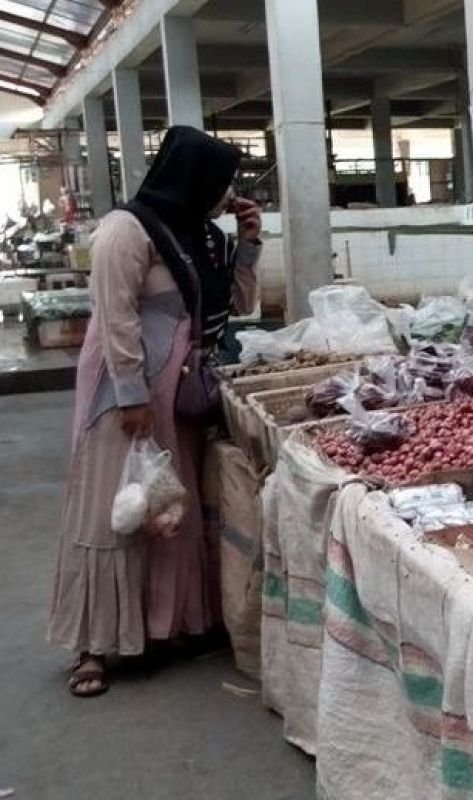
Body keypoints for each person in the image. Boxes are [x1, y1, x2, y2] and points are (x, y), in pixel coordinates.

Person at [49, 126, 262, 697]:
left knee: (165, 510)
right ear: (189, 176)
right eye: (219, 183)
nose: (225, 193)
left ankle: (165, 629)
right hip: (125, 394)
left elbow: (239, 303)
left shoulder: (196, 236)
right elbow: (114, 315)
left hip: (180, 392)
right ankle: (92, 646)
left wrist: (247, 241)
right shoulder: (126, 230)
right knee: (110, 508)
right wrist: (131, 396)